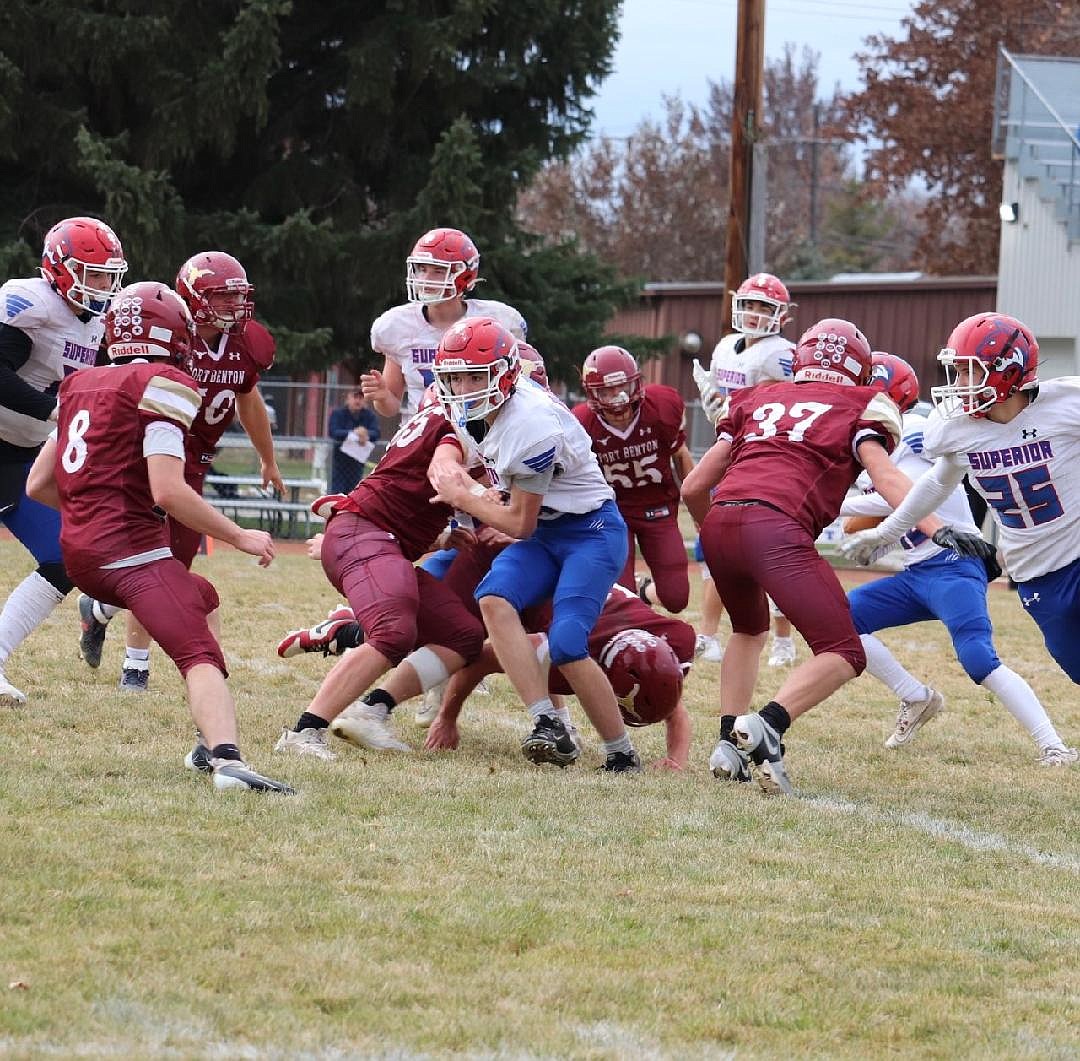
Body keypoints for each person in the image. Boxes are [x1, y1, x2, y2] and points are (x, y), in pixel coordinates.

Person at [26, 281, 292, 792]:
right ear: (172, 332)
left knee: (203, 596)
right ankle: (227, 761)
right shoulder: (164, 383)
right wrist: (239, 535)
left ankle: (203, 740)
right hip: (130, 553)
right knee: (199, 655)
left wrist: (91, 511)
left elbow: (40, 484)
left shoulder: (81, 382)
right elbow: (168, 492)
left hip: (81, 555)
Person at [682, 318, 911, 795]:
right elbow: (889, 482)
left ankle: (728, 743)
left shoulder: (757, 395)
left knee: (747, 630)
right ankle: (767, 723)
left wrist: (717, 531)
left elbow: (693, 486)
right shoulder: (863, 404)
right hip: (778, 528)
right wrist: (939, 526)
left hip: (723, 520)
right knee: (844, 650)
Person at [842, 312, 1080, 765]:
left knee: (977, 653)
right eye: (960, 369)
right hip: (1034, 573)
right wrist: (886, 533)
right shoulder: (957, 427)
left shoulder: (1067, 403)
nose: (960, 381)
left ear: (1008, 368)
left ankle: (1052, 747)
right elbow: (934, 485)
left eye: (971, 368)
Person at [428, 318, 642, 772]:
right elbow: (452, 452)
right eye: (455, 376)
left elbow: (519, 525)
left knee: (566, 642)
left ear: (505, 373)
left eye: (473, 376)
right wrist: (457, 478)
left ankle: (621, 752)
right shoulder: (479, 406)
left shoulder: (531, 424)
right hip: (548, 530)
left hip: (591, 533)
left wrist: (466, 495)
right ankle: (548, 723)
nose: (462, 387)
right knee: (494, 598)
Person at [75, 251, 284, 691]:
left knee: (174, 565)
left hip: (194, 466)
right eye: (222, 298)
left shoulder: (248, 343)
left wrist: (267, 457)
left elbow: (248, 400)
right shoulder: (170, 336)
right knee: (153, 562)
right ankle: (135, 666)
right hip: (149, 458)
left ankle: (98, 611)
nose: (234, 307)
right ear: (192, 297)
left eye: (236, 297)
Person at [272, 397, 486, 762]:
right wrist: (487, 497)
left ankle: (371, 708)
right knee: (393, 630)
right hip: (367, 534)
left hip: (378, 539)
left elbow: (407, 510)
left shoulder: (451, 422)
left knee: (463, 636)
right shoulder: (458, 425)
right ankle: (304, 731)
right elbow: (443, 469)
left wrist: (445, 537)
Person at [0, 216, 127, 705]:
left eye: (107, 275)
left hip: (22, 456)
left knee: (63, 559)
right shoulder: (31, 302)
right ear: (58, 267)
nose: (101, 285)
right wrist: (56, 411)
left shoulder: (96, 323)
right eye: (92, 273)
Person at [694, 272, 799, 666]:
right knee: (715, 544)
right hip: (729, 448)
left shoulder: (781, 353)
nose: (754, 314)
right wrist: (714, 402)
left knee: (771, 546)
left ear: (781, 315)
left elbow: (791, 400)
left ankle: (784, 641)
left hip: (765, 454)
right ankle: (708, 635)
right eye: (750, 305)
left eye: (764, 307)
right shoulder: (725, 346)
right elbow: (726, 401)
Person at [572, 345, 694, 613]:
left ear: (636, 383)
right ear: (592, 393)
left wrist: (697, 509)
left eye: (622, 388)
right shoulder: (581, 423)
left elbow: (681, 456)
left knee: (676, 598)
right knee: (622, 599)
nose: (616, 398)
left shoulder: (661, 407)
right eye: (606, 391)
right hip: (611, 513)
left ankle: (644, 591)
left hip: (658, 506)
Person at [361, 227, 526, 422]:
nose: (426, 279)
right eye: (422, 269)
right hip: (423, 437)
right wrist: (382, 396)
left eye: (438, 271)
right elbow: (392, 405)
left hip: (481, 437)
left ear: (464, 275)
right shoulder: (397, 326)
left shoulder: (496, 321)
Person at [328, 387, 381, 492]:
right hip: (340, 460)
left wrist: (365, 435)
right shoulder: (338, 414)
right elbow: (334, 432)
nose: (358, 400)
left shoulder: (369, 416)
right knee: (337, 492)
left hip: (358, 461)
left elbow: (376, 433)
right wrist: (354, 433)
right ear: (348, 399)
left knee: (354, 491)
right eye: (355, 397)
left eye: (361, 398)